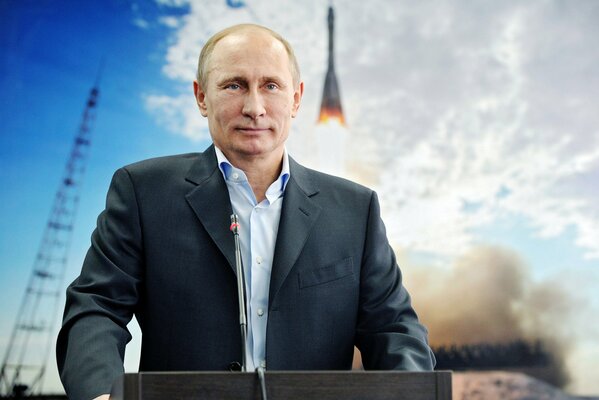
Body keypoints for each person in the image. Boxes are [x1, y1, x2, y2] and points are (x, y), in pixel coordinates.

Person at [56, 24, 435, 400]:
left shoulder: (355, 210)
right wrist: (100, 395)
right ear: (201, 97)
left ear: (296, 99)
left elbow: (394, 330)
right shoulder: (143, 193)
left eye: (271, 86)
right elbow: (96, 308)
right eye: (234, 85)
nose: (254, 108)